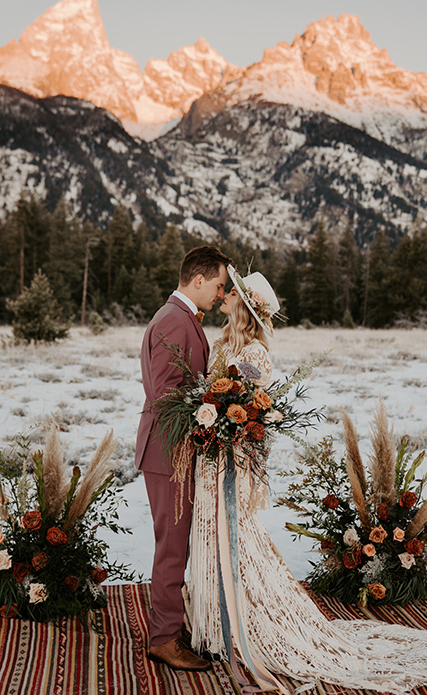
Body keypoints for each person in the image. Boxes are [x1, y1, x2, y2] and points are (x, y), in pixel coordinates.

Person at [187, 264, 427, 694]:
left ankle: (247, 627)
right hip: (211, 457)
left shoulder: (253, 354)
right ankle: (216, 626)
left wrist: (224, 419)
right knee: (210, 535)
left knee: (231, 536)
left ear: (246, 308)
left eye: (233, 292)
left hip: (231, 460)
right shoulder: (223, 343)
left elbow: (247, 404)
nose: (224, 295)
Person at [135, 245, 230, 672]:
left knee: (177, 546)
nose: (221, 293)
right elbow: (167, 393)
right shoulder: (174, 320)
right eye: (219, 284)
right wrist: (216, 405)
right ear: (198, 279)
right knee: (172, 549)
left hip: (175, 449)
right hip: (168, 450)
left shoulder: (178, 317)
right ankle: (163, 639)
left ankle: (171, 626)